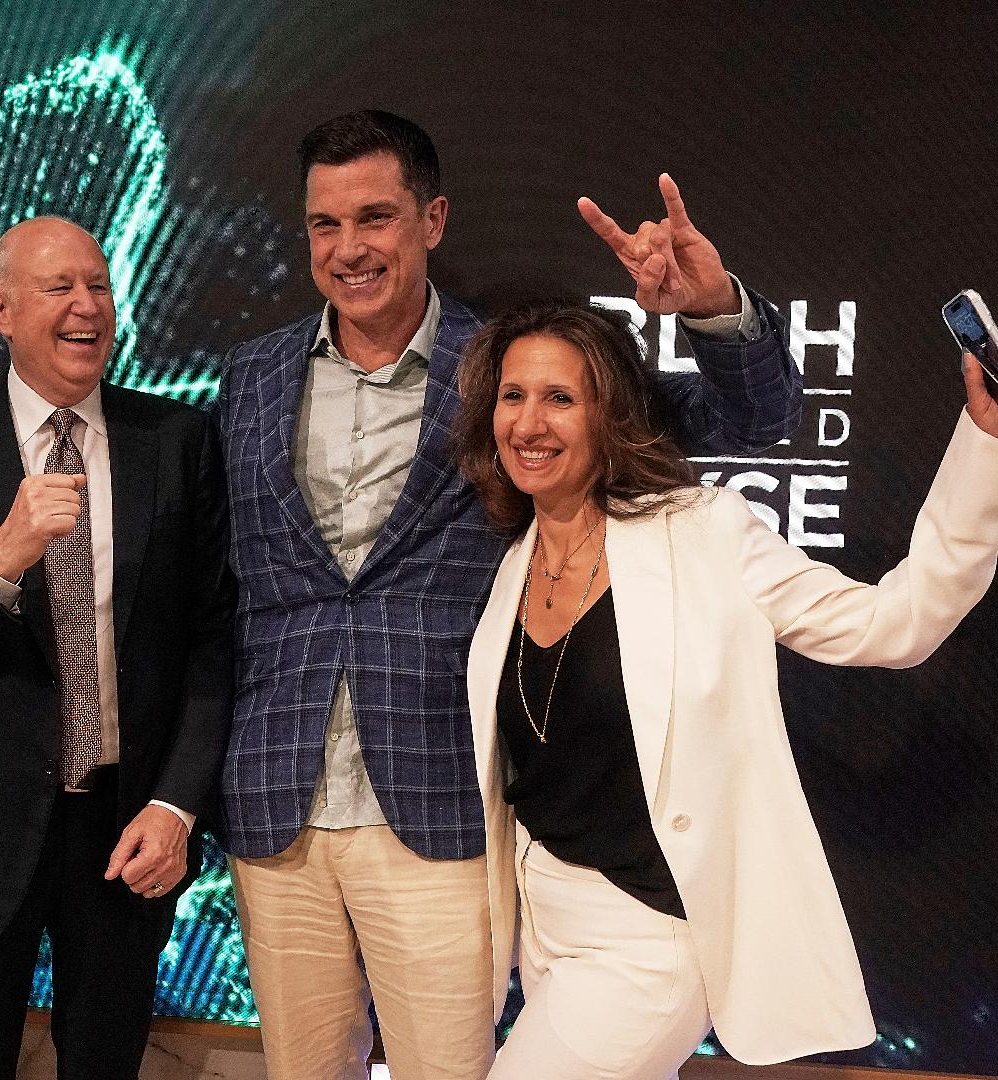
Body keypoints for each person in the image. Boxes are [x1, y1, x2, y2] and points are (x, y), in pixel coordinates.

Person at [214, 109, 803, 1079]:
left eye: (376, 217)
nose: (350, 248)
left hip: (442, 804)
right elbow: (227, 593)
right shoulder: (251, 376)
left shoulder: (512, 372)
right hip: (278, 807)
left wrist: (711, 310)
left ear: (433, 219)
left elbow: (754, 415)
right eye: (326, 224)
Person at [452, 302, 998, 1077]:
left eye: (560, 398)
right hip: (545, 935)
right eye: (513, 396)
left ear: (611, 414)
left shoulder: (702, 531)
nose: (530, 423)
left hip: (651, 942)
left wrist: (988, 457)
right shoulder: (514, 562)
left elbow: (895, 625)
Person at [0, 216, 234, 1080]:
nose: (87, 307)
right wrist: (0, 559)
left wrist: (177, 806)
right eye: (58, 288)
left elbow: (214, 644)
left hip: (125, 831)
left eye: (99, 287)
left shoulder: (177, 442)